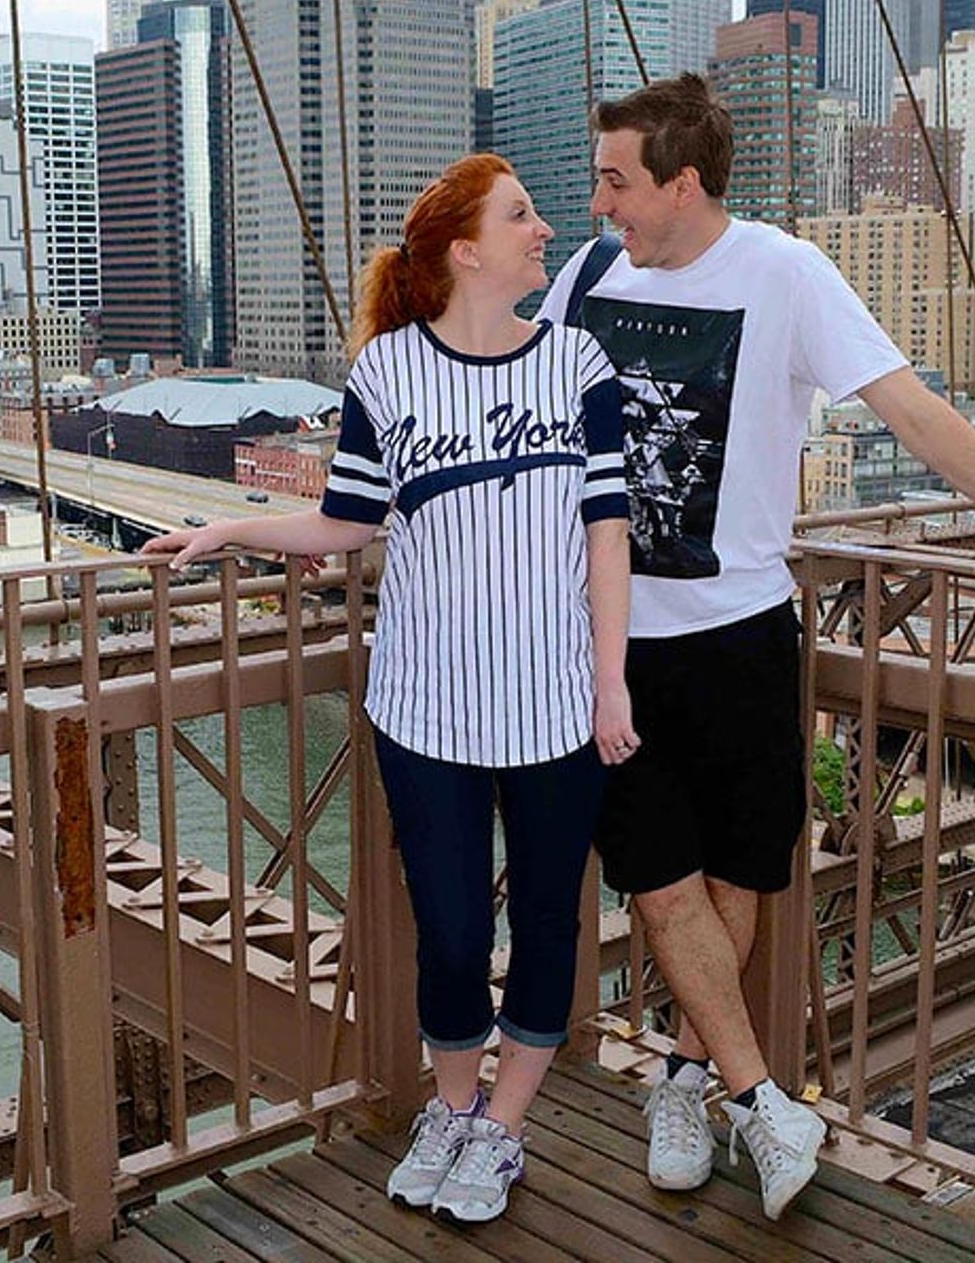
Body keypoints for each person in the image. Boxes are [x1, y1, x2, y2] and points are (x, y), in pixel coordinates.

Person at [537, 74, 975, 1222]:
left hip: (740, 634)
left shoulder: (786, 275)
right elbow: (510, 417)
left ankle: (685, 1080)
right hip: (606, 645)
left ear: (684, 184)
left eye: (618, 180)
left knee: (740, 872)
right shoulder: (586, 280)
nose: (601, 204)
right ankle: (759, 1096)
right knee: (656, 877)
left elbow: (922, 417)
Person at [146, 154, 635, 1224]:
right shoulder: (385, 374)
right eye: (523, 214)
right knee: (454, 933)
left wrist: (612, 684)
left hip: (557, 707)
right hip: (428, 711)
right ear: (465, 248)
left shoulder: (580, 365)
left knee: (549, 923)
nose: (545, 229)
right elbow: (346, 521)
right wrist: (229, 529)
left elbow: (608, 531)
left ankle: (502, 1130)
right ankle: (451, 1111)